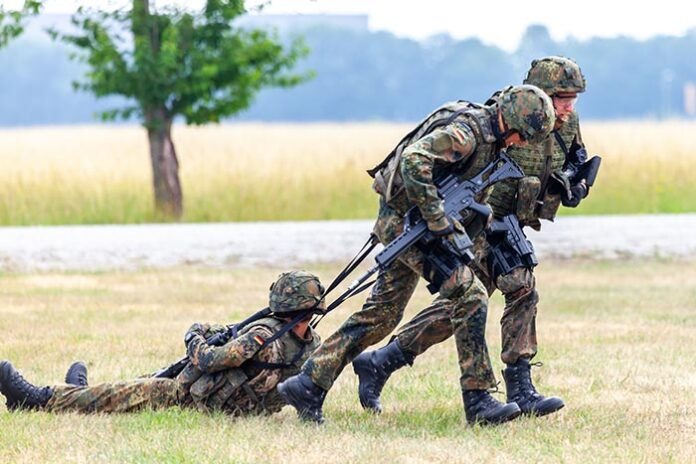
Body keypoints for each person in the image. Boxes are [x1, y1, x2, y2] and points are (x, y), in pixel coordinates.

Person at [278, 85, 556, 426]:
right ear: (510, 121)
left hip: (416, 222)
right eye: (523, 136)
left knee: (382, 315)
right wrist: (437, 217)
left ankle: (308, 384)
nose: (522, 144)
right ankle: (479, 399)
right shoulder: (466, 134)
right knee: (470, 294)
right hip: (408, 226)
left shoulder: (490, 135)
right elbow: (414, 159)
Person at [353, 56, 590, 418]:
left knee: (503, 294)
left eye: (574, 98)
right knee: (472, 301)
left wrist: (575, 184)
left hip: (513, 220)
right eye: (562, 98)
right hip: (482, 221)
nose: (568, 107)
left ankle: (518, 387)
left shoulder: (567, 123)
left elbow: (574, 159)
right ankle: (389, 362)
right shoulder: (509, 114)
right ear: (539, 96)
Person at [0, 271, 323, 416]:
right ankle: (78, 392)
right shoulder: (312, 345)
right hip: (239, 407)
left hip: (199, 402)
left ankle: (37, 399)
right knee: (131, 387)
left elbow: (209, 360)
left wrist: (193, 336)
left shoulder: (262, 335)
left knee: (128, 394)